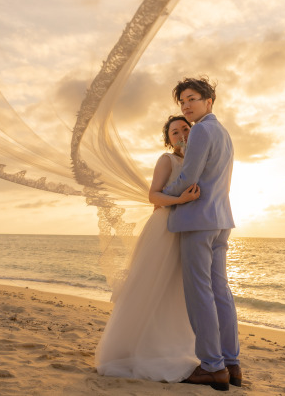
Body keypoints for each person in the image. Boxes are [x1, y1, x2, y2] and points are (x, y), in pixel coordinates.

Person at [95, 115, 202, 382]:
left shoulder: (198, 159)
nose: (181, 135)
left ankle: (173, 345)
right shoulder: (167, 160)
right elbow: (153, 195)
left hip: (187, 230)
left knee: (177, 289)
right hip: (163, 229)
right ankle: (134, 348)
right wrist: (180, 199)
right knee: (150, 285)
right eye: (175, 132)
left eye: (185, 129)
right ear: (169, 139)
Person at [162, 77, 240, 391]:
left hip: (197, 219)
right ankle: (231, 363)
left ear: (209, 101)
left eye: (192, 99)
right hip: (221, 220)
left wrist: (167, 197)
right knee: (221, 292)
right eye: (182, 102)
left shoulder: (202, 131)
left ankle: (212, 366)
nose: (186, 106)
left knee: (201, 294)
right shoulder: (224, 133)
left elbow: (189, 176)